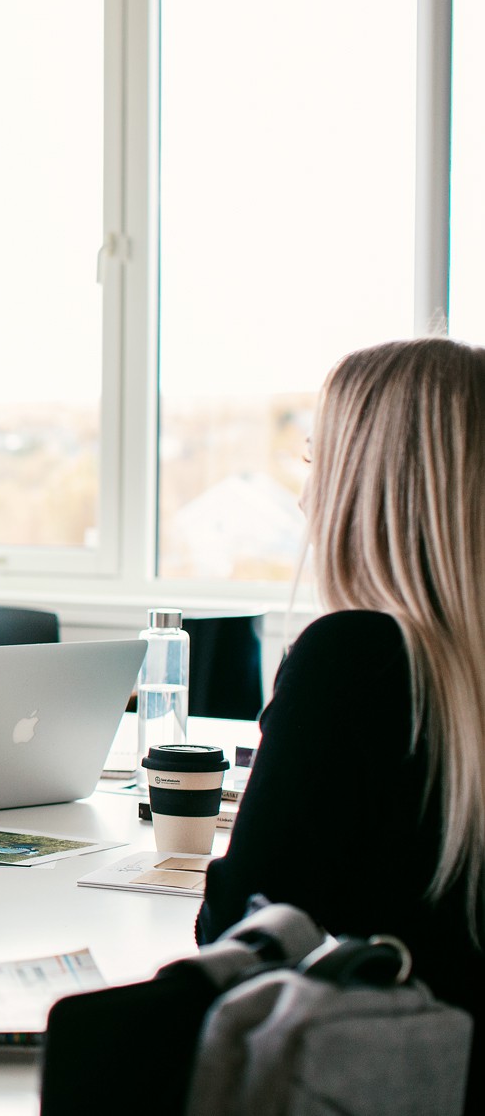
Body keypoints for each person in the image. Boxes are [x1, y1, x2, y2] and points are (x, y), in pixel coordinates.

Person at [198, 336, 485, 1102]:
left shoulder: (355, 658)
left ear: (374, 481)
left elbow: (238, 933)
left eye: (319, 461)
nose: (306, 495)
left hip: (391, 1080)